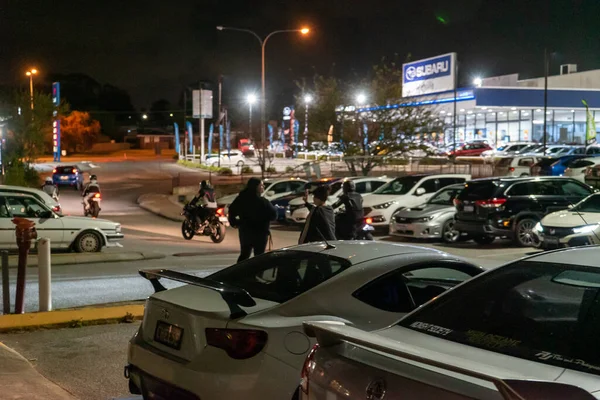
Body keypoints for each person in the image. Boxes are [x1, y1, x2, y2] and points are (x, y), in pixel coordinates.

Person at [228, 178, 277, 262]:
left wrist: (235, 223)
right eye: (261, 185)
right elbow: (274, 215)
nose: (263, 187)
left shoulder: (241, 199)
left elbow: (232, 211)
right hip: (260, 233)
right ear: (256, 187)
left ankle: (238, 272)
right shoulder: (263, 202)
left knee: (244, 254)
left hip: (245, 231)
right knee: (259, 257)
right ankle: (256, 274)